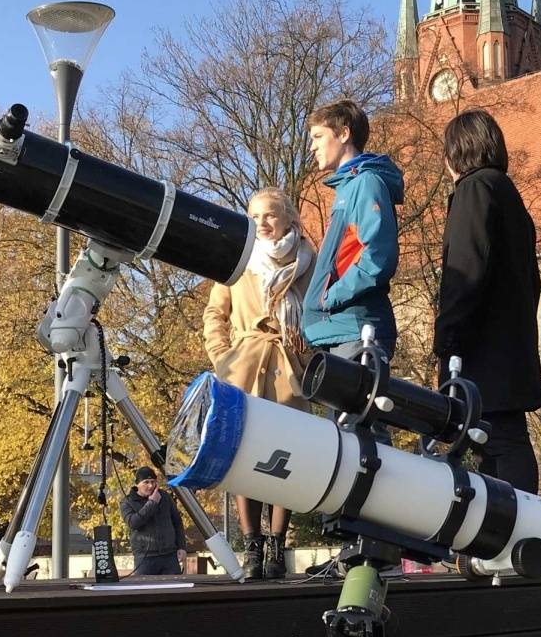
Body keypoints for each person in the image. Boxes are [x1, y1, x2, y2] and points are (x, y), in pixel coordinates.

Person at [433, 109, 541, 493]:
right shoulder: (507, 193)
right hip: (511, 346)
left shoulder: (474, 189)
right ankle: (518, 533)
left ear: (458, 151)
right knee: (506, 440)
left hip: (483, 350)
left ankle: (514, 534)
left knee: (494, 443)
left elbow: (464, 271)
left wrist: (447, 337)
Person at [203, 187, 316, 580]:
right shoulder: (239, 259)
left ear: (288, 218)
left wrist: (308, 353)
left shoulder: (309, 261)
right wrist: (223, 357)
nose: (262, 224)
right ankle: (252, 547)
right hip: (244, 369)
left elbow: (319, 314)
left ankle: (277, 546)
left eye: (269, 215)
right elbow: (215, 313)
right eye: (254, 217)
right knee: (244, 459)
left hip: (290, 368)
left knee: (285, 460)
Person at [300, 99, 403, 360]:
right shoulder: (348, 187)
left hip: (357, 331)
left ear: (344, 134)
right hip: (340, 331)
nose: (312, 146)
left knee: (355, 402)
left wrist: (328, 298)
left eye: (318, 136)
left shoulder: (366, 183)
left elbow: (378, 256)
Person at [119, 467, 186, 576]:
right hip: (145, 557)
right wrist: (152, 503)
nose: (150, 486)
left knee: (174, 589)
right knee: (145, 590)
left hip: (169, 555)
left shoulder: (164, 497)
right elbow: (133, 523)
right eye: (146, 482)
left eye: (153, 482)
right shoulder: (127, 502)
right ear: (137, 484)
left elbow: (177, 522)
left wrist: (182, 547)